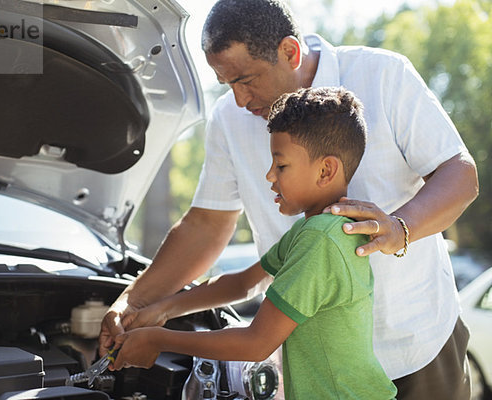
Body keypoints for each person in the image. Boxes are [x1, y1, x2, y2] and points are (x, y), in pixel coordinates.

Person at [101, 0, 478, 398]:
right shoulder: (231, 121)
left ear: (290, 52)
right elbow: (208, 229)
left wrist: (401, 227)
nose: (240, 100)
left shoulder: (384, 75)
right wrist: (141, 304)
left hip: (418, 346)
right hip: (315, 375)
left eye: (246, 80)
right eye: (226, 83)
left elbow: (460, 174)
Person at [112, 87, 398, 399]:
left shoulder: (322, 238)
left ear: (325, 170)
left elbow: (257, 343)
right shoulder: (315, 229)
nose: (269, 176)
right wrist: (165, 309)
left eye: (281, 165)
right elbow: (245, 284)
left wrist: (158, 339)